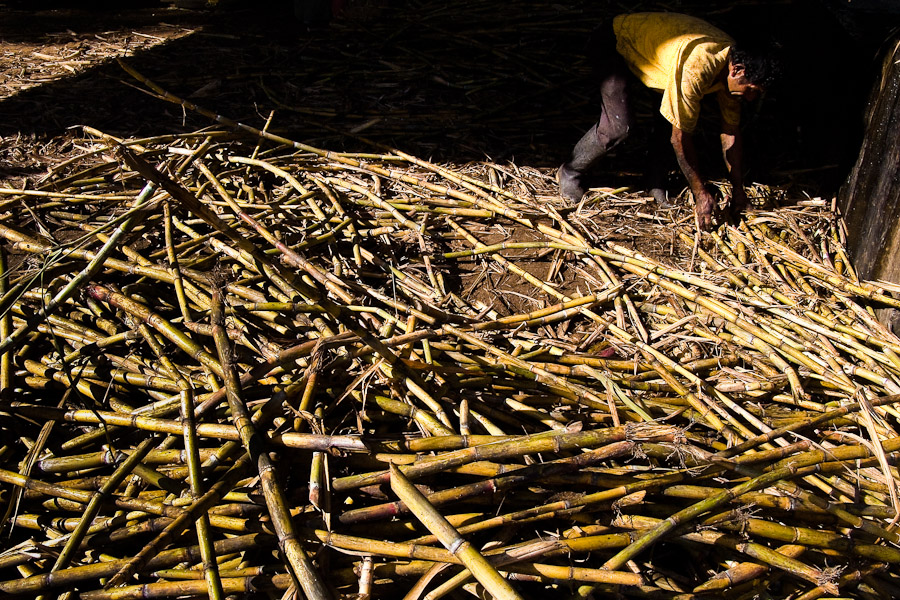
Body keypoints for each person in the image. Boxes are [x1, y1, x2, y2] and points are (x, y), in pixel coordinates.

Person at [558, 12, 780, 230]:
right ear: (736, 70)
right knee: (618, 126)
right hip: (615, 41)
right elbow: (680, 138)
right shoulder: (698, 65)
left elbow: (730, 132)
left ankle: (653, 182)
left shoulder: (733, 69)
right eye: (750, 90)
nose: (750, 98)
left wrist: (738, 190)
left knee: (670, 120)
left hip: (662, 61)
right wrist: (700, 193)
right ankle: (569, 172)